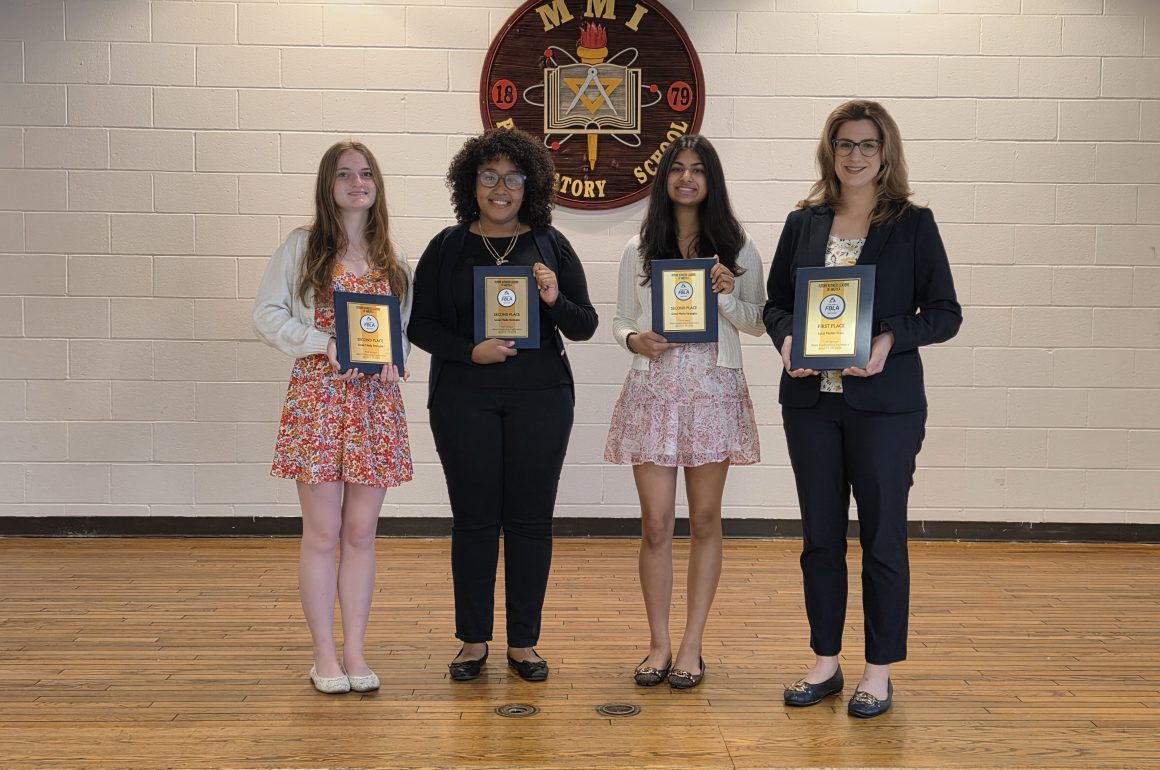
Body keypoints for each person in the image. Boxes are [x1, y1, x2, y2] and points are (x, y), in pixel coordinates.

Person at [763, 100, 962, 717]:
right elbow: (775, 303)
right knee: (819, 538)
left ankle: (878, 671)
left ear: (885, 152)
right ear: (830, 151)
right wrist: (788, 338)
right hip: (811, 405)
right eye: (844, 144)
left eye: (867, 145)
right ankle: (825, 661)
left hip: (885, 406)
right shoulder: (805, 223)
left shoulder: (913, 223)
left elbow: (945, 315)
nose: (854, 155)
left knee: (881, 539)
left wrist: (888, 339)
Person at [407, 128, 598, 683]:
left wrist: (553, 298)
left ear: (529, 186)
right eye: (488, 176)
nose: (500, 188)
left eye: (512, 178)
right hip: (463, 399)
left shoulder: (551, 245)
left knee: (531, 522)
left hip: (542, 400)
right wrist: (472, 350)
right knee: (473, 521)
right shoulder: (447, 246)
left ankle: (523, 643)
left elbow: (583, 324)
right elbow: (420, 325)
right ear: (472, 183)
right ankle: (472, 640)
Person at [252, 140, 414, 695]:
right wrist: (324, 343)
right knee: (322, 534)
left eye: (366, 173)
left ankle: (356, 651)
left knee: (361, 532)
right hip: (319, 402)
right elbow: (266, 315)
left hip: (374, 407)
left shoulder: (392, 258)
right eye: (345, 174)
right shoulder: (301, 248)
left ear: (377, 185)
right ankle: (323, 655)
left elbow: (401, 336)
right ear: (328, 185)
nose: (357, 182)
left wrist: (397, 361)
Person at [604, 135, 765, 690]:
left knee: (703, 521)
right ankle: (658, 644)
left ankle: (692, 646)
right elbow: (621, 318)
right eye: (678, 169)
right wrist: (635, 340)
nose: (687, 178)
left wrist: (724, 293)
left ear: (711, 179)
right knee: (655, 525)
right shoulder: (639, 248)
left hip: (712, 392)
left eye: (698, 169)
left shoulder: (739, 249)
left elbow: (758, 321)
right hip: (655, 392)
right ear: (665, 178)